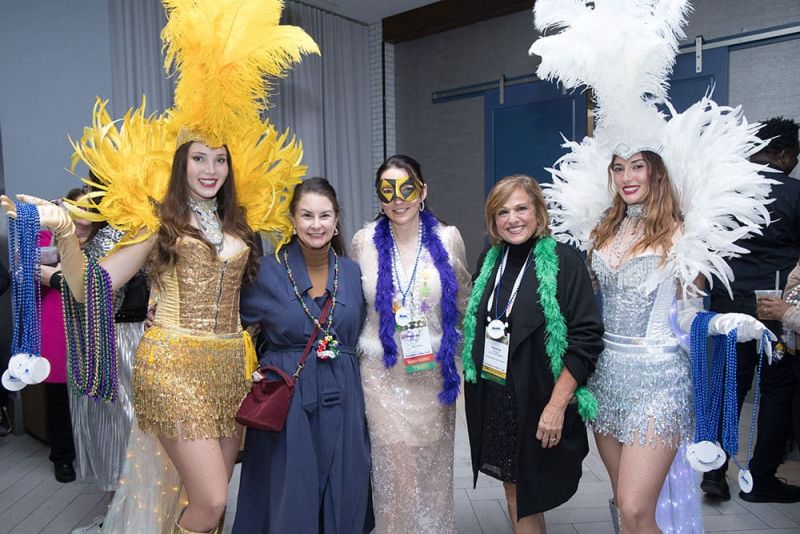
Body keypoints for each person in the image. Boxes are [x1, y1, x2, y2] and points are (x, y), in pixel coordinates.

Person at [529, 1, 775, 531]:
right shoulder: (603, 230)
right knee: (624, 508)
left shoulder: (683, 234)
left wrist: (723, 323)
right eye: (619, 167)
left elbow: (687, 313)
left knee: (637, 506)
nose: (626, 177)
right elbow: (583, 303)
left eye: (637, 165)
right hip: (606, 378)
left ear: (656, 170)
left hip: (659, 381)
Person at [462, 175, 603, 533]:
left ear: (539, 213)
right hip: (498, 397)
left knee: (528, 492)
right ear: (493, 221)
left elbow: (586, 340)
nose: (513, 219)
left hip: (539, 399)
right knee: (515, 492)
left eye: (521, 208)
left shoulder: (564, 262)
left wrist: (556, 407)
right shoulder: (490, 260)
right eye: (502, 212)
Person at [232, 177, 371, 533]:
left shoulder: (352, 272)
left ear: (337, 220)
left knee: (345, 485)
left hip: (344, 394)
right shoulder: (265, 271)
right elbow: (228, 320)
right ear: (293, 219)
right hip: (288, 396)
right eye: (307, 215)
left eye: (325, 215)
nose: (316, 224)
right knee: (291, 492)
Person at [351, 154, 470, 533]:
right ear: (379, 197)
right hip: (381, 376)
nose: (398, 199)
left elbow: (464, 298)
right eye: (388, 191)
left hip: (431, 377)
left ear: (423, 191)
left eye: (407, 188)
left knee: (430, 474)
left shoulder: (447, 239)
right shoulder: (364, 242)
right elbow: (350, 304)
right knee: (395, 473)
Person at [705, 117, 800, 503]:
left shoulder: (725, 190)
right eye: (795, 155)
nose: (795, 162)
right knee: (778, 390)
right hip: (774, 308)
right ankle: (761, 478)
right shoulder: (795, 193)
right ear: (783, 153)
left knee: (729, 385)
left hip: (728, 306)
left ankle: (714, 472)